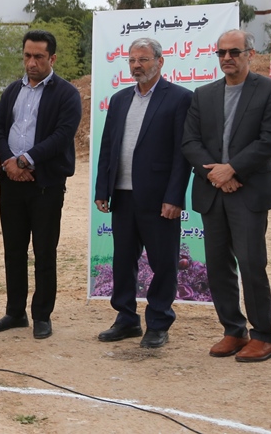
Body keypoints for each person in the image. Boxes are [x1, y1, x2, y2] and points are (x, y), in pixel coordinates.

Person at [182, 29, 271, 363]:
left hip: (249, 191)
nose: (227, 58)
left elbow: (270, 140)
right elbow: (190, 142)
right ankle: (233, 330)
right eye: (221, 53)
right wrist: (216, 174)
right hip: (213, 190)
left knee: (252, 263)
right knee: (218, 265)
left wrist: (233, 170)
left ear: (250, 54)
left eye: (234, 52)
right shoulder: (203, 94)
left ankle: (264, 336)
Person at [94, 38, 193, 349]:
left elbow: (182, 154)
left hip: (159, 198)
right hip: (122, 195)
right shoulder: (119, 99)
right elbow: (108, 146)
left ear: (160, 62)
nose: (137, 65)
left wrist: (175, 197)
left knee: (163, 263)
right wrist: (102, 188)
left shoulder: (179, 98)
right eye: (132, 60)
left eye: (143, 59)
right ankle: (126, 319)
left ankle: (159, 322)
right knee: (123, 261)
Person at [0, 30, 81, 340]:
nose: (32, 62)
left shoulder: (66, 94)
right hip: (11, 183)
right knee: (14, 251)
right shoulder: (13, 90)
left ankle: (42, 314)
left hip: (46, 185)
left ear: (52, 58)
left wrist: (25, 161)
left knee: (44, 251)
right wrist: (9, 162)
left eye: (39, 57)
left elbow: (62, 136)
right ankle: (15, 312)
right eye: (27, 55)